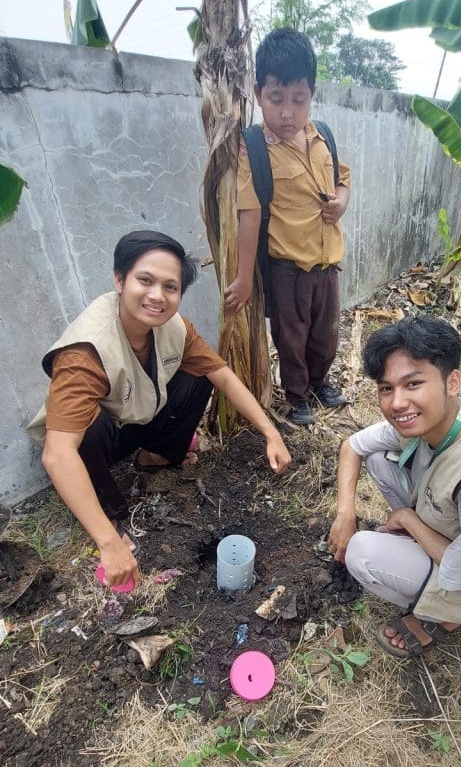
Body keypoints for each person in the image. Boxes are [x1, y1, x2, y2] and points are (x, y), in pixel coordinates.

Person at [28, 230, 291, 589]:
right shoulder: (85, 352)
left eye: (170, 287)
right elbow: (57, 454)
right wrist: (107, 543)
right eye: (145, 280)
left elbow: (222, 374)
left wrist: (270, 433)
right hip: (101, 439)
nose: (157, 296)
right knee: (85, 428)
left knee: (199, 378)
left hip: (138, 414)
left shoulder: (173, 326)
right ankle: (110, 516)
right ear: (120, 280)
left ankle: (158, 455)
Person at [328, 315, 461, 659]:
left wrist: (408, 520)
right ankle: (421, 556)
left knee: (362, 553)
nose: (397, 403)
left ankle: (447, 617)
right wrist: (344, 514)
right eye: (387, 388)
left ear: (452, 382)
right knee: (380, 457)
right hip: (459, 536)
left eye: (413, 384)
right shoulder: (434, 420)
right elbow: (352, 446)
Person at [225, 27, 351, 426]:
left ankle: (320, 382)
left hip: (326, 264)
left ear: (311, 94)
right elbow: (249, 212)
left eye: (298, 100)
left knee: (325, 333)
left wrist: (341, 202)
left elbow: (342, 178)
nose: (287, 112)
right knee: (291, 338)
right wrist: (245, 278)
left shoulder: (322, 136)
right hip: (287, 270)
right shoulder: (255, 149)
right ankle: (297, 396)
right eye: (276, 99)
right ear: (259, 93)